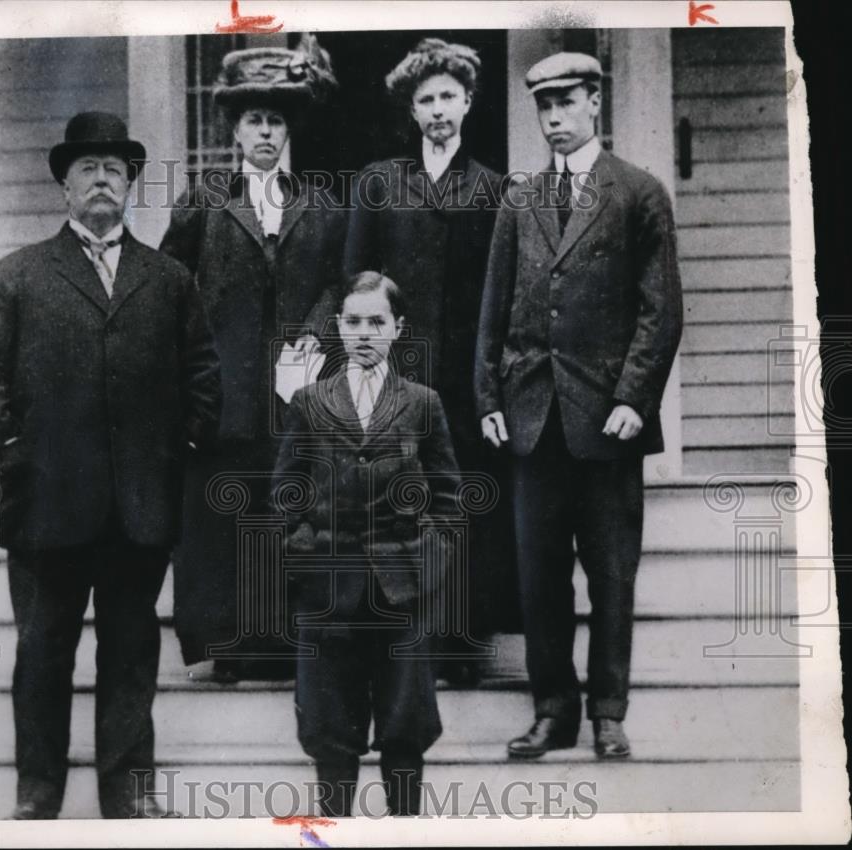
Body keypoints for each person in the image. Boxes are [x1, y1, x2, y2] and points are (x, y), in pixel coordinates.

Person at [0, 112, 221, 819]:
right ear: (64, 186)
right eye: (87, 168)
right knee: (42, 658)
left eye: (115, 168)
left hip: (138, 510)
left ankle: (129, 797)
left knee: (131, 659)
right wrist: (12, 452)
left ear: (131, 183)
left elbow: (203, 375)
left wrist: (179, 454)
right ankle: (37, 795)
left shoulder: (166, 279)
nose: (102, 178)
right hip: (46, 506)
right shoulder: (18, 275)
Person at [474, 53, 683, 760]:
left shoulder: (639, 193)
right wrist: (488, 397)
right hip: (533, 418)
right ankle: (553, 711)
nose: (555, 117)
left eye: (568, 102)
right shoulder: (519, 199)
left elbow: (661, 313)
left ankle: (608, 715)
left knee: (612, 575)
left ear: (596, 101)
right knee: (539, 580)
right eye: (544, 106)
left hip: (607, 422)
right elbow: (494, 311)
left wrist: (634, 399)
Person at [160, 36, 346, 682]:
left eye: (275, 120)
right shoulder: (203, 204)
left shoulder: (321, 206)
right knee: (227, 512)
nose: (265, 132)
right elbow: (169, 288)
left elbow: (341, 283)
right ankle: (233, 646)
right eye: (253, 120)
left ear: (287, 129)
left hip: (298, 390)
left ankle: (293, 643)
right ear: (235, 130)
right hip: (224, 389)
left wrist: (318, 337)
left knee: (291, 507)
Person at [343, 38, 516, 684]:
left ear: (467, 103)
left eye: (448, 96)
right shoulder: (380, 182)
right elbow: (358, 280)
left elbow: (506, 292)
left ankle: (461, 644)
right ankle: (400, 640)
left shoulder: (494, 188)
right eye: (426, 100)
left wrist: (491, 374)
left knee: (463, 498)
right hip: (400, 373)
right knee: (396, 501)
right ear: (411, 111)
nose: (438, 110)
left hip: (469, 378)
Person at [274, 271, 460, 816]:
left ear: (398, 328)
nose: (363, 333)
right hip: (327, 589)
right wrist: (305, 554)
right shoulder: (309, 402)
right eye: (352, 322)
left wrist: (427, 560)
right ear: (337, 327)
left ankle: (403, 829)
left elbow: (449, 497)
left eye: (376, 322)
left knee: (404, 724)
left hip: (401, 589)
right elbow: (286, 493)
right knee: (330, 726)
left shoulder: (423, 403)